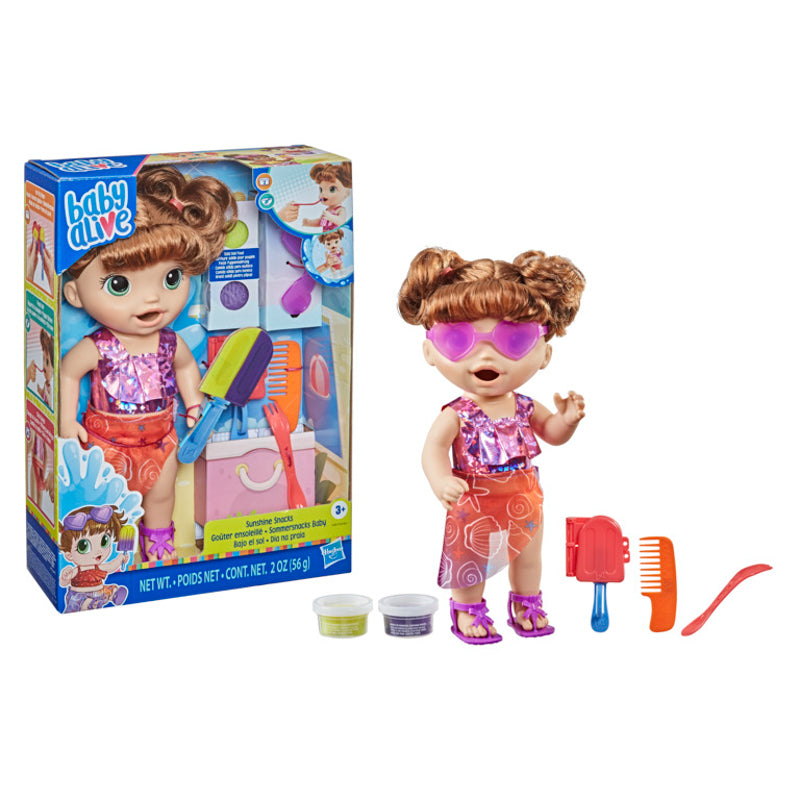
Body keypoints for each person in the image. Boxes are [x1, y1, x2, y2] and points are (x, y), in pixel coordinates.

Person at [398, 247, 586, 644]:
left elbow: (550, 432)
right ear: (430, 350)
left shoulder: (524, 406)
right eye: (456, 339)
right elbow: (433, 450)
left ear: (545, 353)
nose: (486, 355)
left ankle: (526, 603)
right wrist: (441, 481)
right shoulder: (457, 413)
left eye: (514, 339)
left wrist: (566, 420)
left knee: (529, 556)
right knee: (470, 559)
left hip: (524, 495)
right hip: (474, 499)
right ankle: (467, 609)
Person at [59, 166, 237, 561]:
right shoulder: (98, 346)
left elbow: (186, 368)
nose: (152, 299)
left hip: (162, 440)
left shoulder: (169, 342)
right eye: (120, 285)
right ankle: (107, 555)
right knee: (107, 502)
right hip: (106, 444)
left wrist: (194, 403)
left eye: (172, 278)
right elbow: (68, 372)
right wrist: (67, 422)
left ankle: (159, 544)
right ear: (75, 294)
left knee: (161, 496)